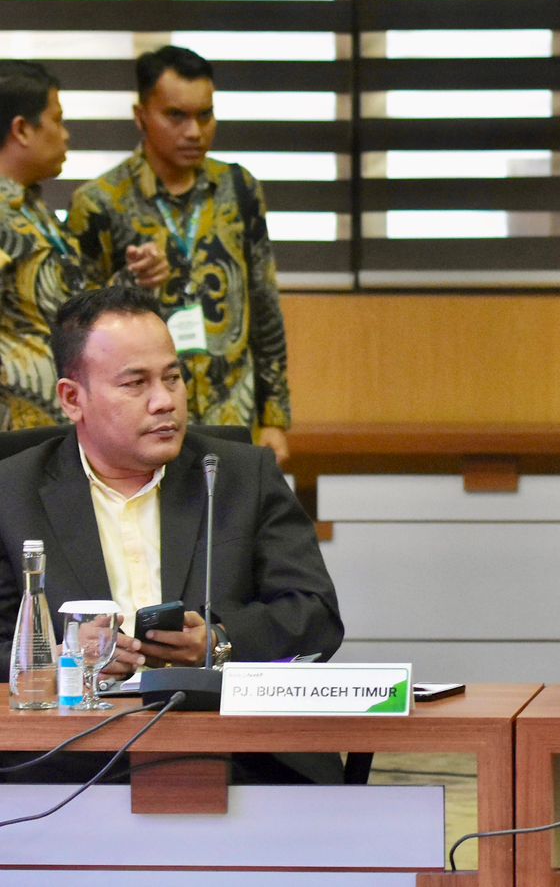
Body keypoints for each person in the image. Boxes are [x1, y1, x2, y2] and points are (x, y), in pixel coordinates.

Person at [0, 284, 342, 781]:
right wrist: (62, 660)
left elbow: (315, 614)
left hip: (240, 753)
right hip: (65, 760)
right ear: (73, 399)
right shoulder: (12, 494)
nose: (165, 401)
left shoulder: (241, 476)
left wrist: (219, 642)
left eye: (173, 377)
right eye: (135, 383)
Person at [68, 46, 292, 466]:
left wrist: (275, 417)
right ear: (140, 117)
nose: (194, 131)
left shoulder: (239, 188)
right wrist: (129, 282)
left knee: (229, 530)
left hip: (233, 412)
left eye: (205, 115)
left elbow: (264, 307)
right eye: (176, 116)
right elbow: (80, 326)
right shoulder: (98, 202)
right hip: (139, 425)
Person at [0, 60, 164, 430]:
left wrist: (133, 280)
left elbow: (63, 313)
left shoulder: (32, 209)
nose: (66, 135)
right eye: (56, 121)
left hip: (54, 422)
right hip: (14, 426)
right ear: (22, 130)